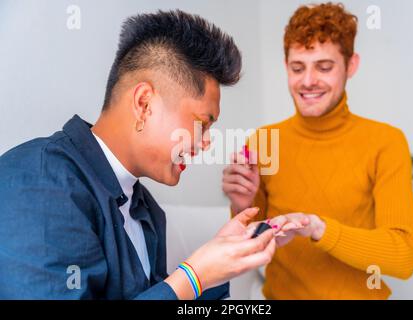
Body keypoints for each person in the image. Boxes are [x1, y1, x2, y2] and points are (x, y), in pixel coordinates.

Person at [0, 10, 278, 300]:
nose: (206, 142)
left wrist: (225, 258)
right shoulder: (39, 181)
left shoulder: (145, 208)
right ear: (144, 104)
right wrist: (194, 277)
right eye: (202, 124)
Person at [223, 2, 413, 299]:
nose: (308, 81)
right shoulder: (263, 142)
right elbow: (249, 246)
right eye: (297, 68)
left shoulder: (386, 142)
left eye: (324, 67)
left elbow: (403, 257)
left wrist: (319, 228)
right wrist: (241, 205)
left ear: (351, 65)